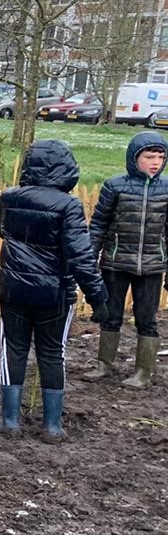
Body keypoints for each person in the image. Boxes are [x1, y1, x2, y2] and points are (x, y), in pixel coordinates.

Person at [0, 139, 109, 441]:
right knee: (52, 353)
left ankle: (10, 422)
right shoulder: (68, 205)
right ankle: (53, 426)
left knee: (12, 350)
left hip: (13, 289)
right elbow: (80, 256)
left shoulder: (9, 198)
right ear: (66, 167)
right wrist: (98, 299)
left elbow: (2, 229)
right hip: (54, 293)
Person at [84, 130, 168, 389]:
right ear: (134, 158)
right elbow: (98, 224)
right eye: (149, 156)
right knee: (111, 314)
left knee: (146, 318)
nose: (155, 162)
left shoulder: (167, 188)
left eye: (161, 157)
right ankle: (103, 365)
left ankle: (143, 372)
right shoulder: (115, 185)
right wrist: (89, 258)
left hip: (152, 266)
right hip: (115, 263)